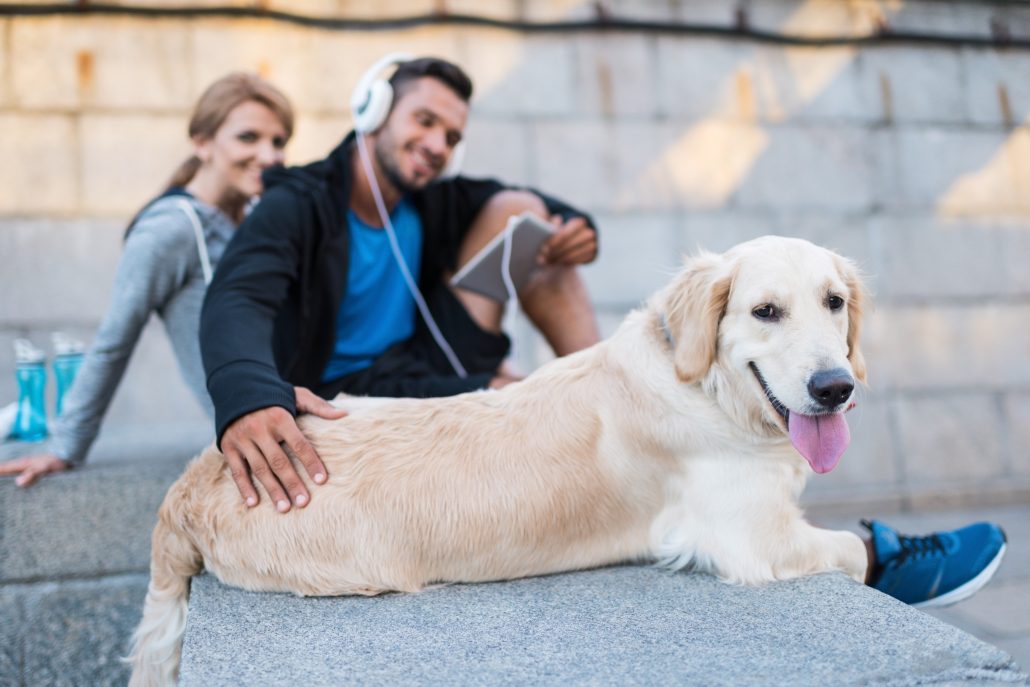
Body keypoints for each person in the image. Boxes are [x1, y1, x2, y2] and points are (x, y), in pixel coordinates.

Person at [199, 55, 1005, 610]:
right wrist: (247, 398)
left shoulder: (434, 202)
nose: (437, 143)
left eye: (451, 132)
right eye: (423, 121)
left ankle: (606, 402)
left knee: (528, 222)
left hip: (442, 366)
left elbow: (534, 202)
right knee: (523, 223)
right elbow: (236, 297)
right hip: (360, 404)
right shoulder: (297, 203)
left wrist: (574, 228)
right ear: (372, 111)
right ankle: (610, 419)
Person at [0, 72, 308, 487]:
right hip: (261, 430)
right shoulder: (169, 230)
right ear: (202, 142)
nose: (269, 155)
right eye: (248, 137)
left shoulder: (253, 219)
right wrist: (66, 446)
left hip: (299, 404)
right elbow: (115, 337)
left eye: (279, 141)